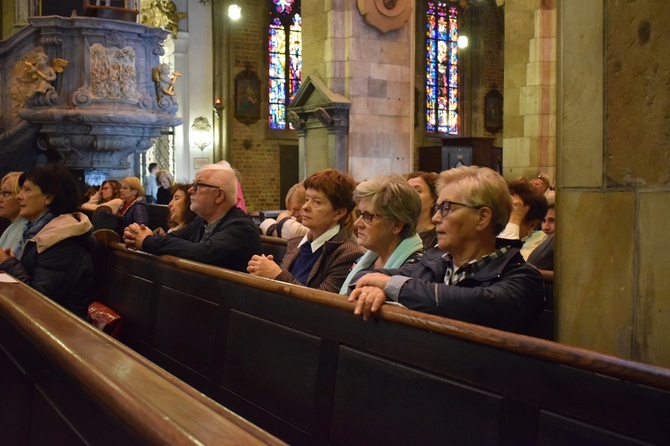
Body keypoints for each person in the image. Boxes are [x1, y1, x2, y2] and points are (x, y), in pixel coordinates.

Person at [347, 165, 545, 333]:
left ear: (482, 217)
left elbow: (478, 304)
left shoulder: (523, 278)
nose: (435, 218)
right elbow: (361, 277)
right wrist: (376, 288)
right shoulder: (435, 262)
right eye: (437, 208)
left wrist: (391, 286)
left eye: (447, 208)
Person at [123, 164, 262, 272]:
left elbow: (201, 252)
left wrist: (147, 240)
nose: (190, 190)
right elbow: (172, 238)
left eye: (198, 186)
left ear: (219, 195)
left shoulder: (241, 227)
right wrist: (140, 236)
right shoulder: (201, 221)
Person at [0, 164, 94, 318]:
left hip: (62, 330)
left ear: (49, 197)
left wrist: (9, 264)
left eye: (27, 190)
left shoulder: (63, 240)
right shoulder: (37, 230)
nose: (19, 196)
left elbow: (40, 303)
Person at [247, 168, 364, 293]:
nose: (305, 207)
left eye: (317, 202)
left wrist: (277, 275)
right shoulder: (296, 243)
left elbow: (323, 304)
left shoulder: (347, 254)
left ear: (339, 213)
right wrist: (264, 279)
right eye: (307, 199)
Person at [339, 174, 424, 294]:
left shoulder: (418, 269)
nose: (357, 224)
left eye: (368, 216)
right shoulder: (360, 261)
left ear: (397, 225)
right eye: (359, 214)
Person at [499, 179, 549, 260]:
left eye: (511, 214)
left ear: (532, 225)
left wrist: (514, 219)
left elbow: (504, 263)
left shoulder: (539, 242)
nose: (502, 219)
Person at [406, 171, 439, 250]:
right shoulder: (396, 232)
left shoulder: (438, 237)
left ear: (434, 200)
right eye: (407, 191)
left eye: (418, 191)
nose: (410, 195)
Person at [0, 172, 29, 254]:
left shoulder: (27, 230)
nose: (0, 199)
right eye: (1, 193)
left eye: (6, 193)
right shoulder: (11, 227)